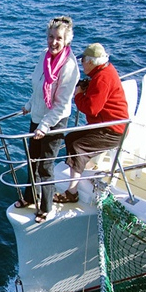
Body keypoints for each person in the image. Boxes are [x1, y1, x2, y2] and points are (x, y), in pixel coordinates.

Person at [14, 16, 80, 223]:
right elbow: (38, 88)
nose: (53, 42)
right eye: (51, 37)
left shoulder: (69, 66)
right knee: (32, 160)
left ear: (67, 40)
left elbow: (60, 104)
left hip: (54, 122)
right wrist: (29, 105)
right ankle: (30, 197)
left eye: (59, 38)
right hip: (38, 117)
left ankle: (46, 207)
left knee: (46, 166)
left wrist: (44, 126)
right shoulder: (44, 56)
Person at [53, 43, 129, 203]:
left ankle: (72, 192)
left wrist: (79, 95)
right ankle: (81, 167)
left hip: (112, 132)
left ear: (91, 62)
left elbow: (92, 109)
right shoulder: (104, 71)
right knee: (71, 138)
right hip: (112, 125)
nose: (82, 64)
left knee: (78, 145)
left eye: (83, 61)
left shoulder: (102, 79)